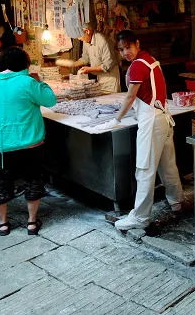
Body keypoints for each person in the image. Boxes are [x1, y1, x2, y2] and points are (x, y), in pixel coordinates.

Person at [0, 47, 57, 236]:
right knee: (32, 179)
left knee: (1, 180)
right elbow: (50, 100)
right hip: (29, 142)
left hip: (1, 143)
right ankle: (31, 222)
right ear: (25, 64)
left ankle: (3, 223)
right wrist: (41, 82)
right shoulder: (28, 82)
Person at [113, 30, 182, 230]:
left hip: (152, 121)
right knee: (168, 165)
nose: (126, 52)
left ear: (137, 43)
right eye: (121, 49)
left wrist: (116, 119)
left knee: (144, 169)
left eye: (128, 47)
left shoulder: (137, 66)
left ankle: (141, 217)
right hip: (163, 117)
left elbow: (130, 97)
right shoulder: (151, 60)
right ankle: (176, 202)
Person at [71, 21, 121, 93]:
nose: (79, 39)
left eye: (79, 35)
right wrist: (72, 64)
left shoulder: (102, 41)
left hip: (110, 77)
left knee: (110, 100)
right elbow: (85, 58)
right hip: (99, 76)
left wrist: (89, 69)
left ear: (87, 31)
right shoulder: (86, 41)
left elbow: (107, 66)